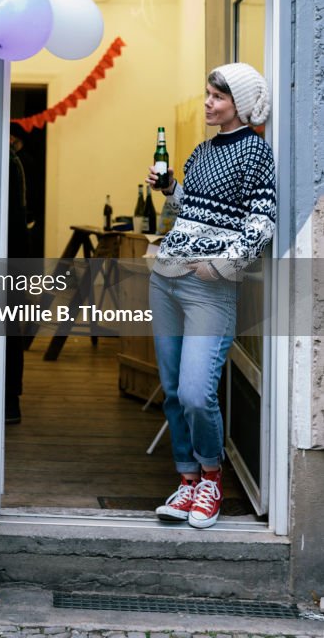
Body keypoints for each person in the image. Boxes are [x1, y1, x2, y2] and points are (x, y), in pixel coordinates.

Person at [147, 63, 276, 529]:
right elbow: (193, 210)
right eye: (207, 94)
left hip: (208, 288)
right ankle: (186, 482)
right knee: (175, 391)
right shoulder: (201, 151)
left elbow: (262, 221)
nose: (207, 103)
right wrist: (168, 189)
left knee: (199, 393)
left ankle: (211, 479)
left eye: (216, 97)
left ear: (239, 105)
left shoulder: (255, 152)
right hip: (165, 277)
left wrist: (221, 265)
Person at [5, 125, 30, 424]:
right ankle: (9, 398)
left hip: (8, 254)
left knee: (8, 326)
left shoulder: (8, 162)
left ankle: (10, 399)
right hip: (13, 251)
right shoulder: (11, 161)